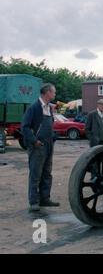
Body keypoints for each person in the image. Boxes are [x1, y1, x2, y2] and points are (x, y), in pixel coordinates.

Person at [21, 83, 60, 212]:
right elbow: (25, 127)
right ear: (47, 92)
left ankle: (45, 199)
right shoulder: (34, 108)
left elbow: (49, 125)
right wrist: (34, 141)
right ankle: (34, 202)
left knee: (47, 173)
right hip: (38, 146)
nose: (54, 95)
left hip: (49, 145)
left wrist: (53, 137)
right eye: (53, 92)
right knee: (35, 174)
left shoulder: (49, 108)